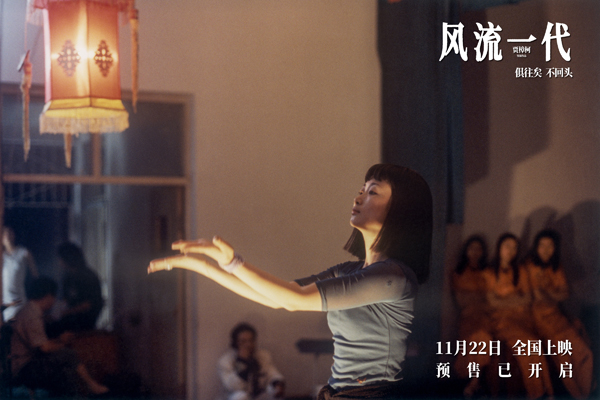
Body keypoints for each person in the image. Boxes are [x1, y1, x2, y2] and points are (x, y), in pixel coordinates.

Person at [148, 164, 433, 400]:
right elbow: (277, 298)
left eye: (372, 192)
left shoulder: (393, 276)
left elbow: (293, 298)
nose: (358, 197)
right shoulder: (350, 270)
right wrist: (208, 267)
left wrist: (233, 263)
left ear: (400, 210)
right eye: (362, 189)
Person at [10, 276, 109, 397]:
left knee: (65, 368)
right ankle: (92, 386)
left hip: (25, 363)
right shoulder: (31, 315)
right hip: (23, 367)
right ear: (48, 296)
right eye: (54, 297)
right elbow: (44, 348)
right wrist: (62, 342)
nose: (54, 301)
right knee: (67, 354)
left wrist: (59, 340)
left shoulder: (30, 310)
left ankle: (79, 394)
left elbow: (40, 343)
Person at [524, 229, 593, 399]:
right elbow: (537, 295)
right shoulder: (529, 265)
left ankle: (587, 391)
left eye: (550, 246)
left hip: (557, 316)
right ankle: (576, 393)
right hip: (540, 319)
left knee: (583, 351)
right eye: (542, 245)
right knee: (563, 356)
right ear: (536, 247)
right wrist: (553, 294)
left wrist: (549, 294)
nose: (546, 250)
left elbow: (565, 293)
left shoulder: (556, 266)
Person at [483, 233, 553, 399]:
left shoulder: (520, 270)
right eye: (507, 246)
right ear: (499, 247)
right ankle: (539, 392)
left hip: (523, 318)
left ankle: (543, 390)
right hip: (501, 321)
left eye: (514, 248)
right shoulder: (489, 272)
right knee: (530, 344)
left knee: (534, 343)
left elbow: (528, 298)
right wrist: (516, 299)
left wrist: (505, 300)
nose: (511, 251)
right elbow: (492, 302)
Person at [450, 235, 492, 397]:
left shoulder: (487, 271)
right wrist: (478, 297)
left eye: (478, 249)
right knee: (474, 337)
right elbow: (461, 300)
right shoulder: (459, 272)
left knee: (483, 335)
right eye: (471, 248)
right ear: (466, 250)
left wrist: (475, 297)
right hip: (468, 315)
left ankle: (474, 381)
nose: (475, 252)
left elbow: (491, 296)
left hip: (486, 314)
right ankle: (473, 380)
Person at [47, 242, 104, 337]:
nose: (59, 262)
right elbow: (65, 299)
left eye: (60, 258)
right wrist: (55, 313)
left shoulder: (88, 276)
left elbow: (89, 304)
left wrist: (65, 313)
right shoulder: (67, 276)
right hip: (69, 318)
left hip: (84, 321)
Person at [218, 322, 285, 400]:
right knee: (241, 397)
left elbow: (272, 373)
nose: (248, 344)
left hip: (259, 394)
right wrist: (243, 361)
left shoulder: (262, 356)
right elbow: (233, 386)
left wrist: (277, 384)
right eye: (243, 341)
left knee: (274, 392)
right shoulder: (226, 361)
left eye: (251, 340)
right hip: (237, 395)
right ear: (235, 343)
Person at [2, 226, 38, 322]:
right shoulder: (2, 256)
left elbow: (35, 275)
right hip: (5, 301)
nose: (7, 236)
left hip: (20, 300)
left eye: (10, 233)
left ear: (13, 235)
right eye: (4, 234)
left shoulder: (24, 253)